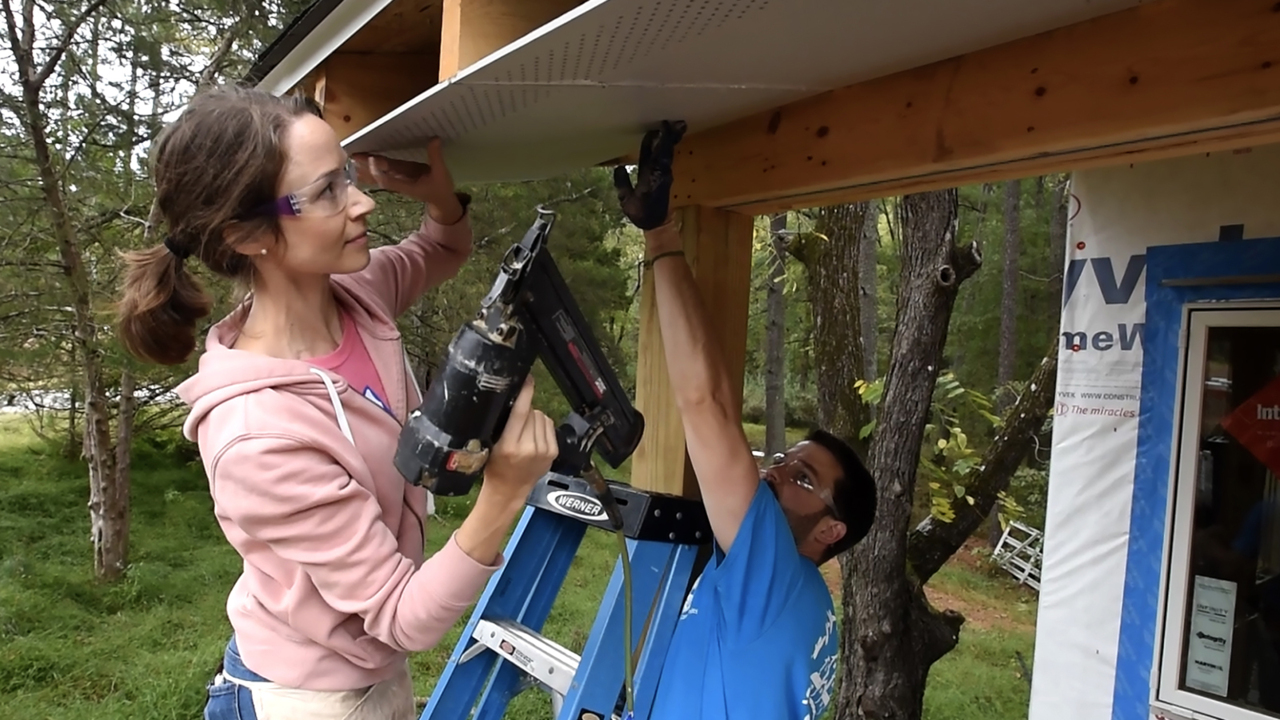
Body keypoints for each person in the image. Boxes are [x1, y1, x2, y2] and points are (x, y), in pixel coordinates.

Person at [114, 85, 560, 720]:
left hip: (372, 674)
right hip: (308, 699)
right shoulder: (258, 436)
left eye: (346, 174)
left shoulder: (356, 293)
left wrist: (440, 199)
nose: (363, 201)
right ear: (247, 235)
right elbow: (401, 616)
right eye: (327, 190)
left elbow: (441, 248)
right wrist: (505, 493)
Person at [613, 121, 878, 720]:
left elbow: (704, 403)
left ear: (830, 531)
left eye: (803, 479)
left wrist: (660, 235)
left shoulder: (774, 575)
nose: (775, 472)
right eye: (783, 460)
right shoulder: (809, 607)